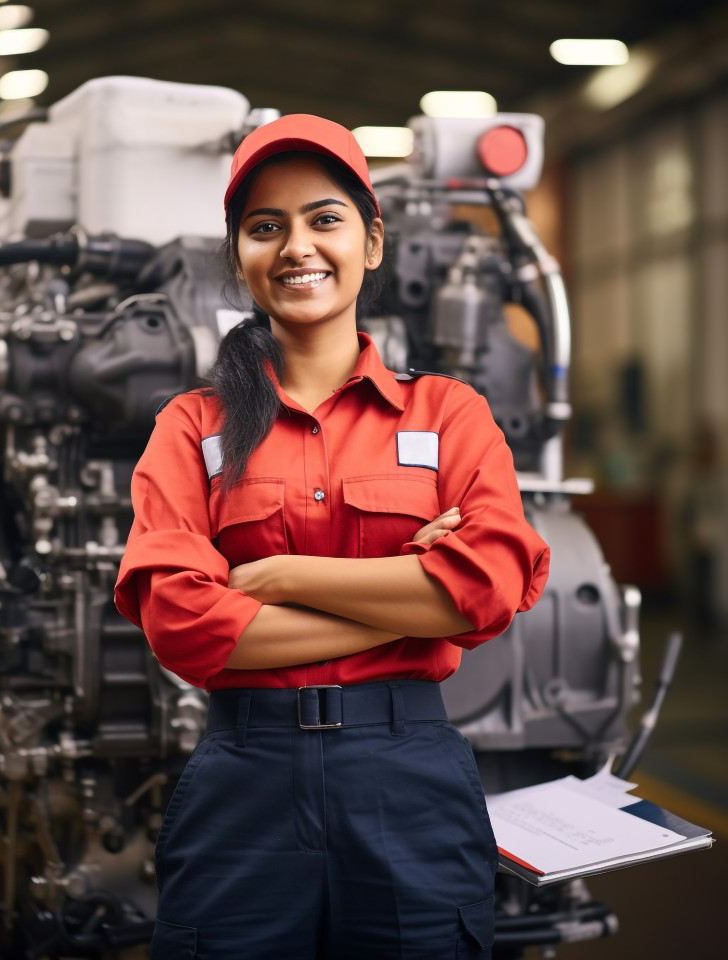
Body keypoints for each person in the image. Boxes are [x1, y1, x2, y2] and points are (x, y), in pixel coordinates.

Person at [114, 114, 550, 960]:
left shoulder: (447, 413)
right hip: (245, 785)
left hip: (408, 780)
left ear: (372, 240)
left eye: (324, 219)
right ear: (238, 255)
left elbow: (490, 582)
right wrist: (418, 597)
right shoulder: (192, 428)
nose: (296, 247)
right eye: (265, 228)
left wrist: (278, 577)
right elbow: (182, 621)